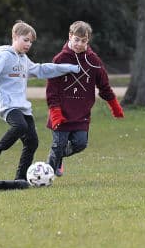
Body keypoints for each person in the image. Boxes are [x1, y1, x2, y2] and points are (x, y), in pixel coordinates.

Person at [0, 20, 81, 180]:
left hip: (22, 106)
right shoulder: (4, 56)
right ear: (15, 37)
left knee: (32, 142)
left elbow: (41, 69)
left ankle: (20, 179)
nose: (28, 44)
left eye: (31, 42)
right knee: (20, 126)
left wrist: (68, 68)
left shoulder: (24, 59)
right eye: (25, 40)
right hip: (8, 105)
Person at [44, 21, 124, 176]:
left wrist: (115, 106)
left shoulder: (94, 61)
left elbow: (104, 86)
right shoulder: (59, 60)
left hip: (81, 114)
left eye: (83, 41)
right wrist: (55, 111)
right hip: (61, 113)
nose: (79, 44)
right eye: (76, 40)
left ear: (88, 40)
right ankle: (48, 174)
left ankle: (58, 157)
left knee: (80, 144)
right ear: (70, 36)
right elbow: (51, 89)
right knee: (59, 144)